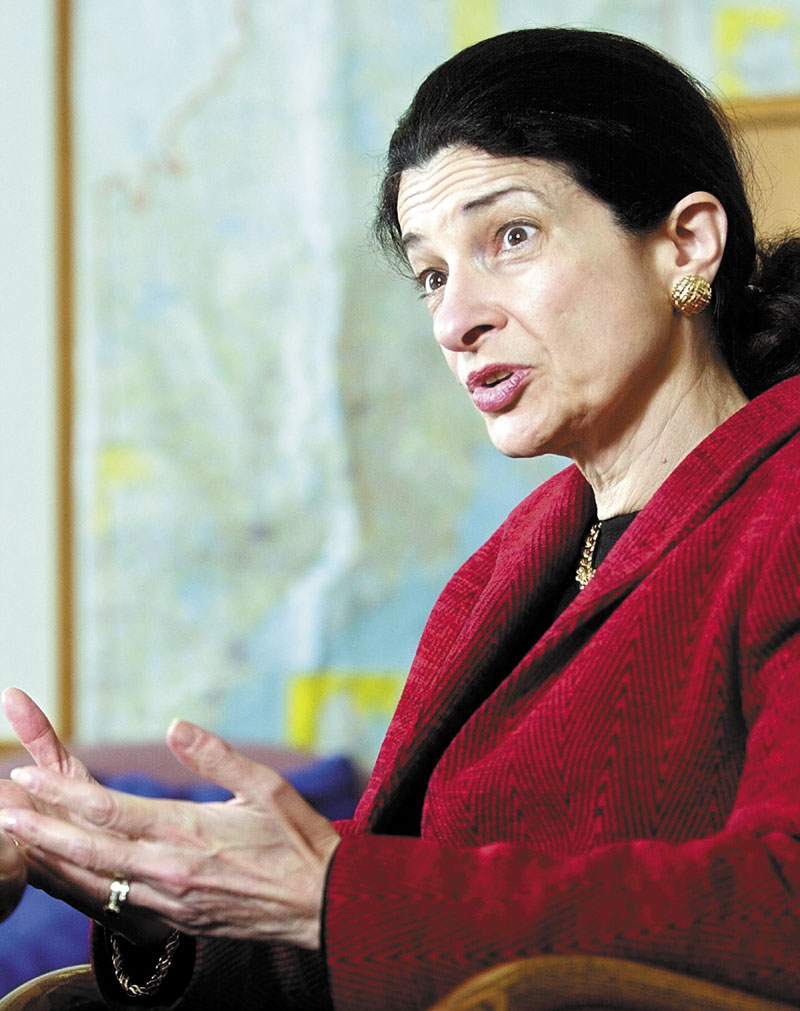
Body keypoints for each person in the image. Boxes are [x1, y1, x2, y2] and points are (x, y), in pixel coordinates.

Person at [2, 26, 800, 1010]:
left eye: (510, 237)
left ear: (686, 241)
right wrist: (157, 887)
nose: (456, 320)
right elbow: (394, 917)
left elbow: (783, 903)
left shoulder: (783, 502)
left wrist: (333, 894)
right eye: (432, 274)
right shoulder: (507, 570)